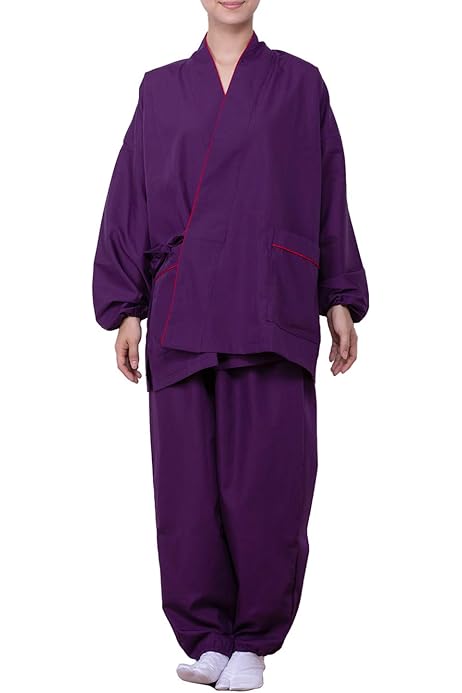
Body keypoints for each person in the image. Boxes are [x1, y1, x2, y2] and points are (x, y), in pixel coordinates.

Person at [92, 0, 369, 689]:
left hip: (269, 300)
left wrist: (338, 294)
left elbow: (327, 191)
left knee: (269, 479)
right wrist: (126, 307)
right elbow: (130, 196)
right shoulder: (160, 89)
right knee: (187, 486)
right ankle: (207, 636)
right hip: (183, 306)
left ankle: (254, 639)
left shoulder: (301, 84)